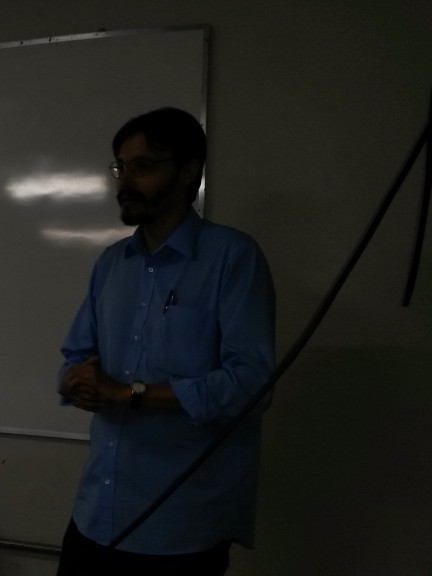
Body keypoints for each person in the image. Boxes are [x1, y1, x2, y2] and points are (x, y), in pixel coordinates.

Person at [57, 107, 275, 576]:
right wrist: (76, 380)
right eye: (120, 167)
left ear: (188, 171)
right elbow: (77, 355)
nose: (125, 181)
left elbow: (252, 383)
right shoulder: (111, 264)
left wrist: (130, 394)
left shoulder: (233, 257)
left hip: (180, 529)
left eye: (143, 166)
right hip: (96, 515)